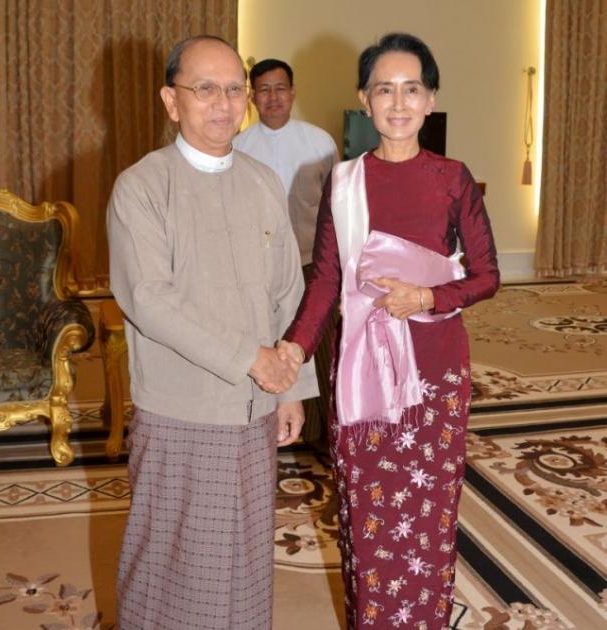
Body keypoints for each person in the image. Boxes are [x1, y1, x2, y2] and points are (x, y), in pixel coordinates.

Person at [278, 33, 500, 629]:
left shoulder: (453, 178)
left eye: (412, 89)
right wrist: (293, 349)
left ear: (430, 101)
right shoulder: (343, 182)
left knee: (427, 511)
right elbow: (326, 279)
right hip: (360, 368)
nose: (398, 103)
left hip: (434, 370)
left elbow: (486, 276)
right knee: (368, 509)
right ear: (364, 100)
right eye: (384, 90)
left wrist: (428, 296)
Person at [107, 35, 318, 630]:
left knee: (246, 555)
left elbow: (286, 292)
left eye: (234, 89)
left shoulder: (261, 181)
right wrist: (252, 360)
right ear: (172, 102)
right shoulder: (142, 187)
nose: (223, 104)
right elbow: (151, 300)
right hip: (182, 409)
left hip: (254, 407)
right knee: (170, 559)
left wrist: (292, 385)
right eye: (205, 89)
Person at [234, 58, 339, 444]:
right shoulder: (238, 145)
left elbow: (336, 208)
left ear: (293, 93)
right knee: (268, 346)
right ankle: (268, 431)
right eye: (264, 90)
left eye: (280, 88)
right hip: (258, 268)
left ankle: (322, 439)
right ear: (252, 97)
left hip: (312, 263)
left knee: (319, 348)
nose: (273, 97)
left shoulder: (319, 142)